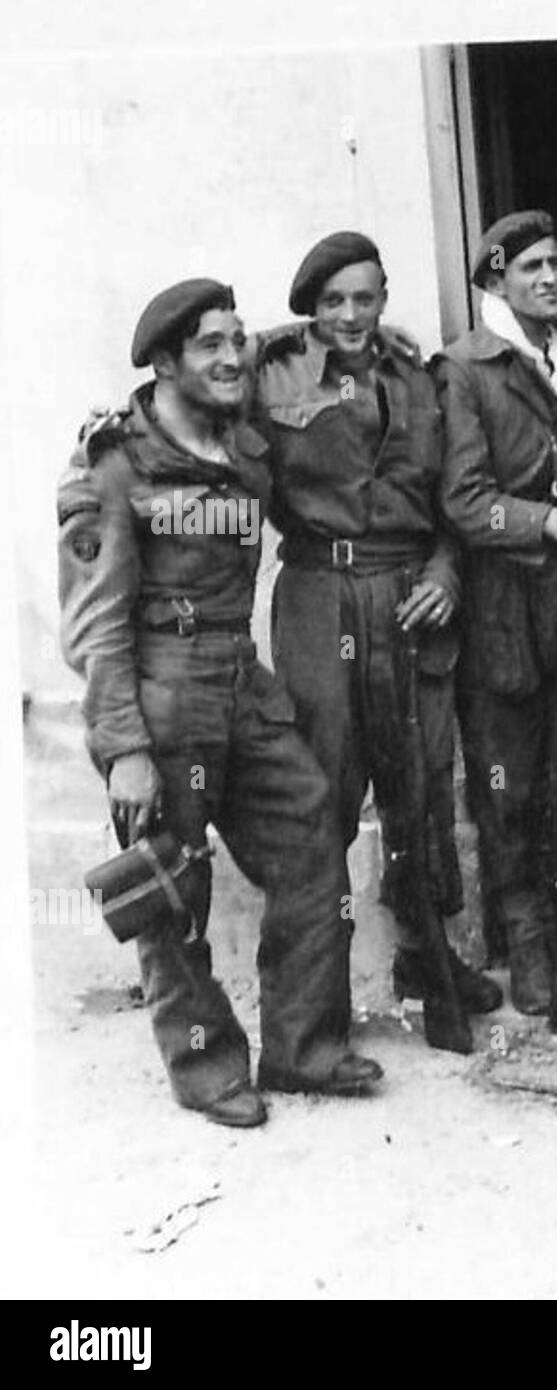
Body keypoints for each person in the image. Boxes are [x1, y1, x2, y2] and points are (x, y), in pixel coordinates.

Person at [57, 279, 383, 1127]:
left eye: (238, 340)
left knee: (312, 834)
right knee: (173, 888)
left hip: (241, 677)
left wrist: (334, 328)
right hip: (164, 693)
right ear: (164, 363)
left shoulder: (242, 444)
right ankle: (205, 1069)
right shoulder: (113, 467)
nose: (233, 357)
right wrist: (124, 749)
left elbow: (280, 344)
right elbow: (95, 625)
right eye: (211, 345)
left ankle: (304, 1046)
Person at [252, 231, 501, 1027]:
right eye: (333, 302)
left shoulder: (415, 374)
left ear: (385, 298)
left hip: (408, 594)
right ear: (309, 309)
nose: (351, 315)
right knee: (322, 789)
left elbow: (453, 499)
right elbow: (193, 394)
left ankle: (428, 960)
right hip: (321, 594)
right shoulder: (270, 372)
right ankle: (309, 1007)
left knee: (421, 786)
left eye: (365, 298)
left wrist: (445, 573)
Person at [434, 210, 557, 1015]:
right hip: (502, 605)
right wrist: (547, 521)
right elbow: (463, 501)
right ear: (495, 281)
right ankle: (527, 946)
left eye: (556, 264)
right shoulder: (465, 369)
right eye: (530, 268)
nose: (549, 278)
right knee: (507, 781)